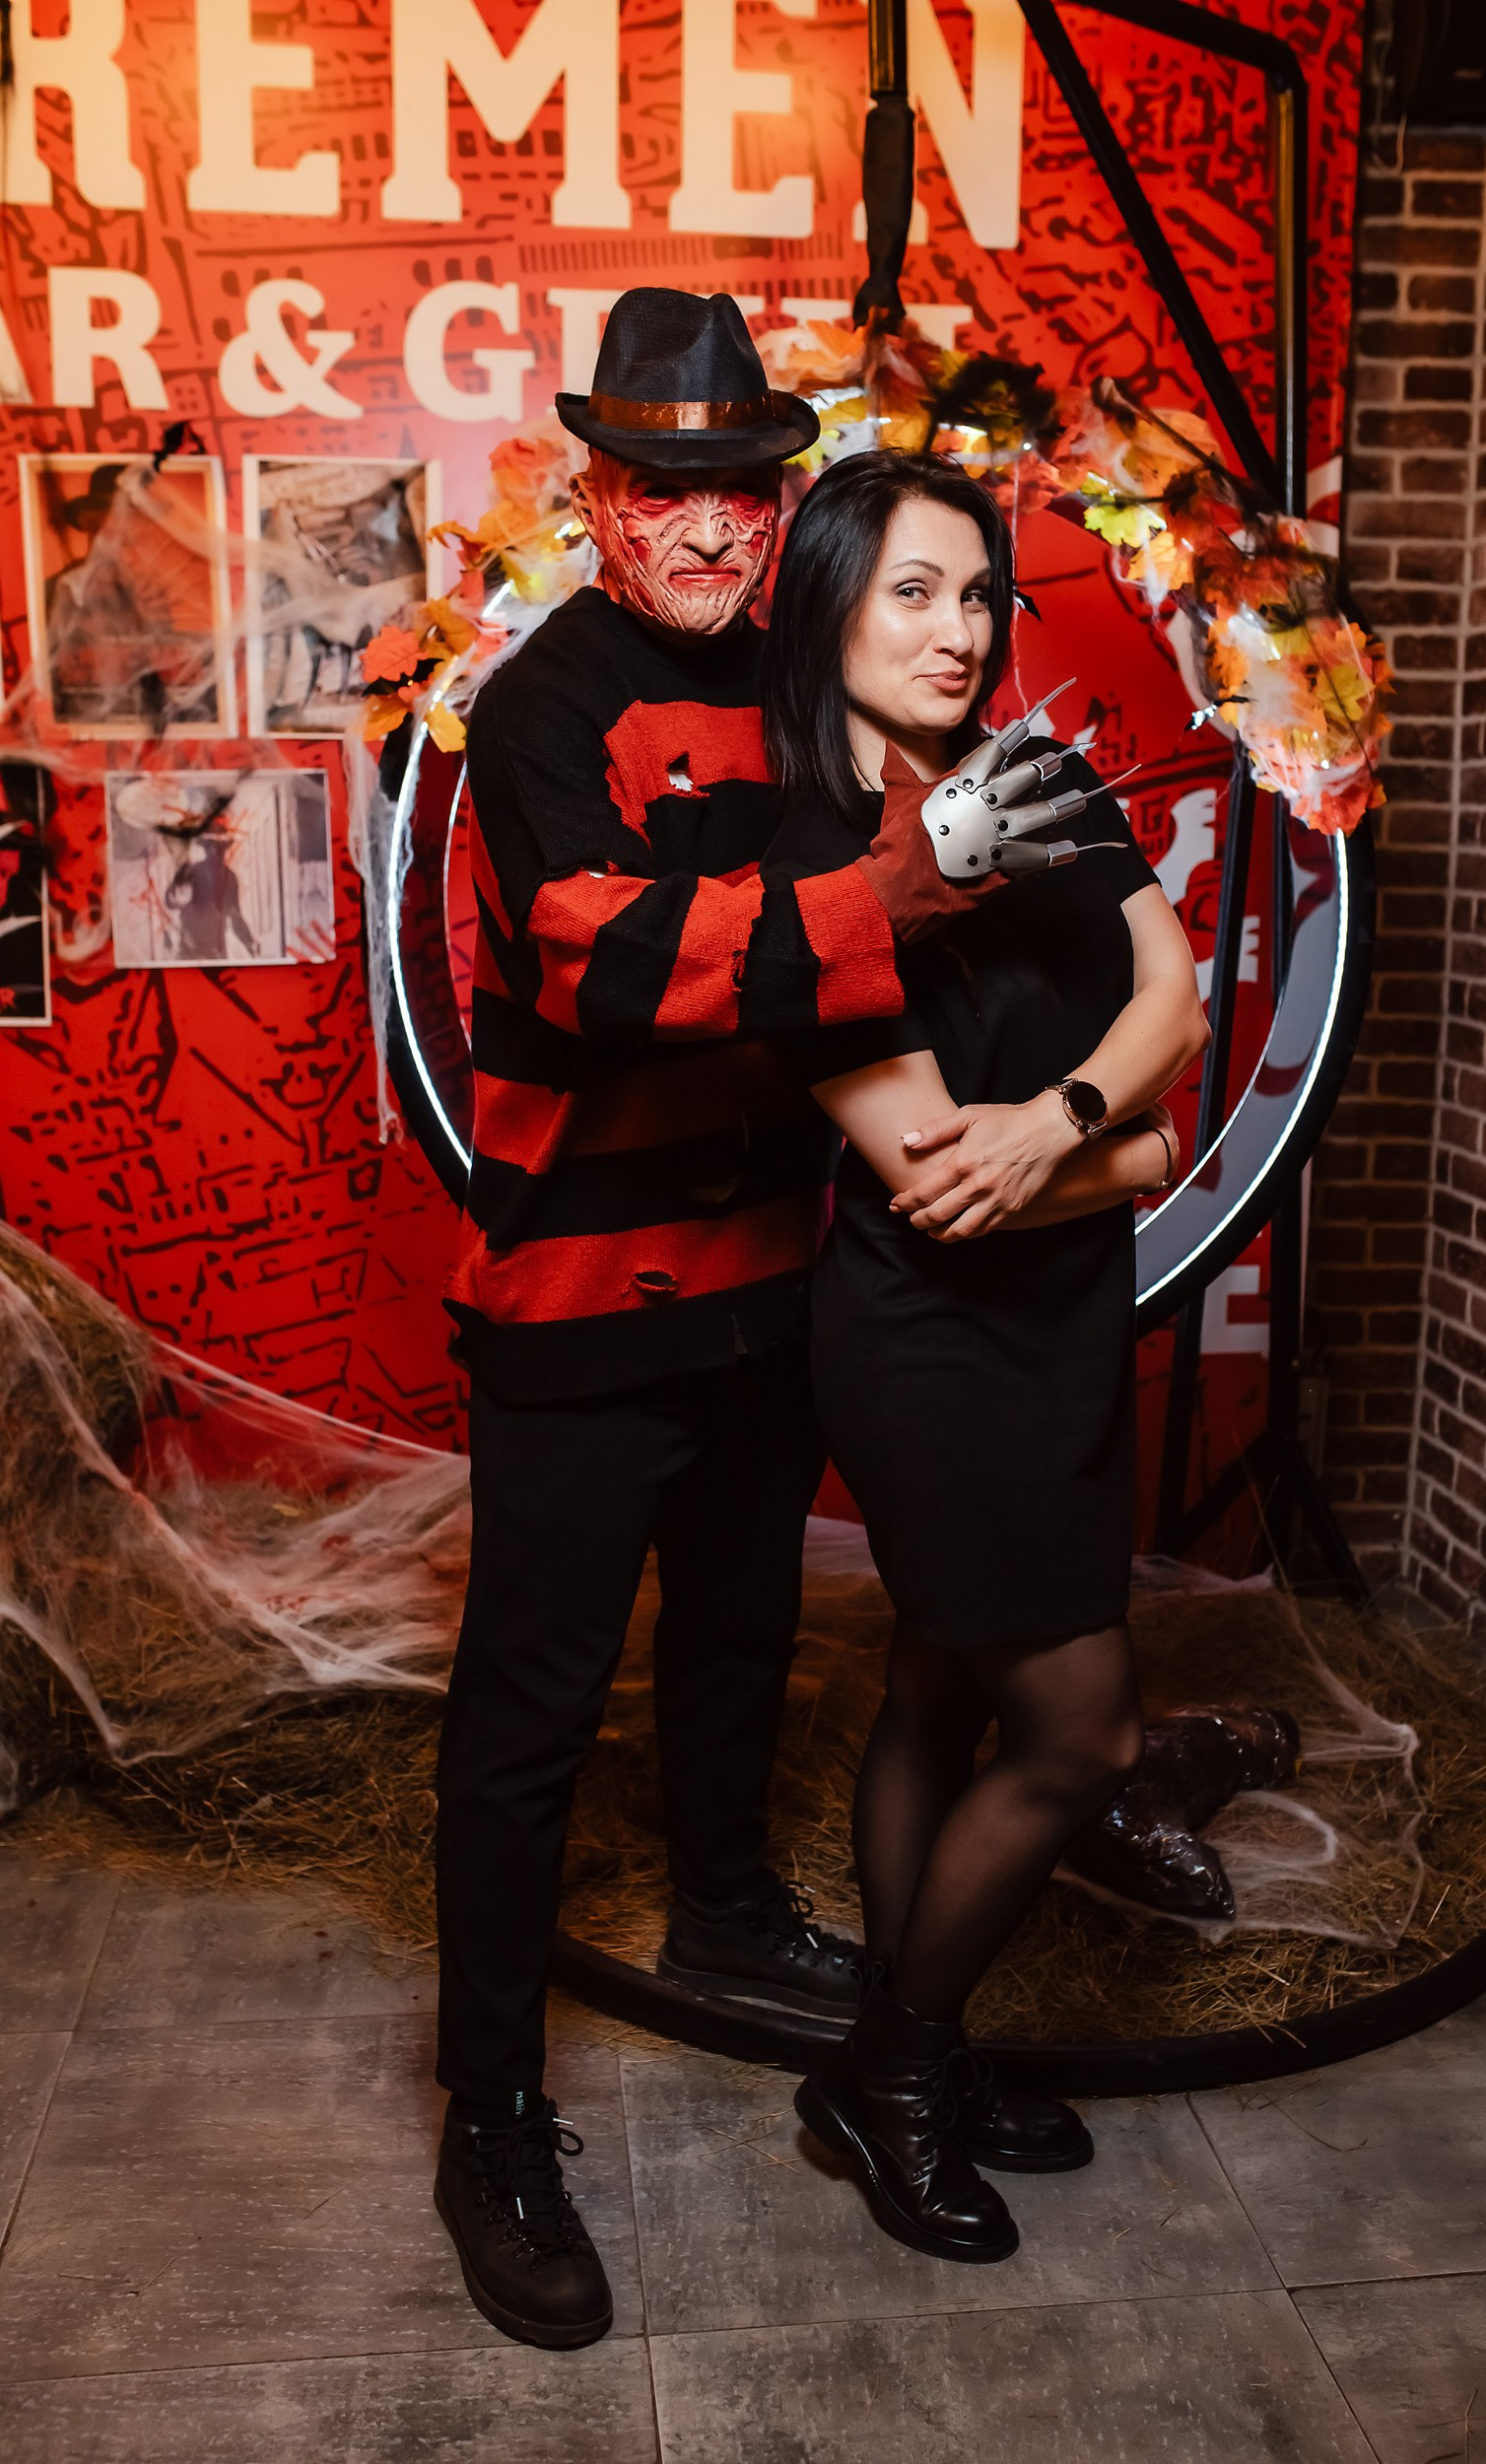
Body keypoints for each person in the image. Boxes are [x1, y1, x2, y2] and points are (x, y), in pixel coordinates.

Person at [432, 293, 1016, 2352]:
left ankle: (730, 1909)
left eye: (739, 490)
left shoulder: (803, 687)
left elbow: (887, 917)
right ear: (594, 495)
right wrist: (887, 902)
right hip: (577, 1305)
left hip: (772, 1286)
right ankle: (489, 2114)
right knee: (526, 1720)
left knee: (744, 1644)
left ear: (780, 507)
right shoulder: (536, 709)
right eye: (658, 486)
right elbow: (606, 967)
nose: (701, 525)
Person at [762, 450, 1209, 2265]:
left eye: (978, 595)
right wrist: (1134, 1151)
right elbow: (933, 1180)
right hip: (929, 1341)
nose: (958, 632)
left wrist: (1073, 1119)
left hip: (1064, 1317)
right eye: (913, 593)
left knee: (939, 1694)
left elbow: (1173, 992)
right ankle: (893, 2070)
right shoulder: (800, 850)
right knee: (1083, 1729)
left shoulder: (1041, 779)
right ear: (830, 608)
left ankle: (910, 2062)